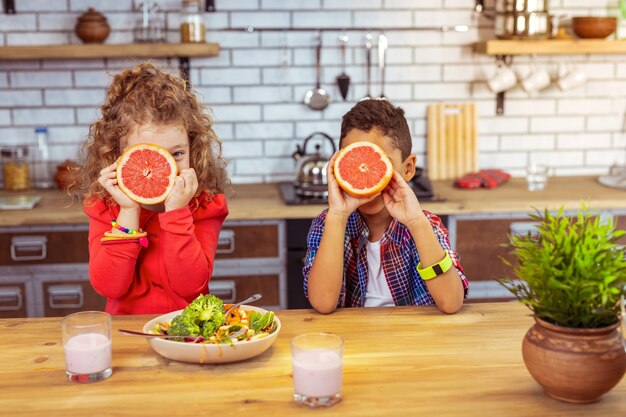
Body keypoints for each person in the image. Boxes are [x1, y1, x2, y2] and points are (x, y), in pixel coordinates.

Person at [74, 63, 229, 315]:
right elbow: (109, 286)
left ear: (193, 148)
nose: (165, 167)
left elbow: (190, 286)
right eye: (147, 155)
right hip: (127, 339)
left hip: (184, 336)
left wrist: (177, 213)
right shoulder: (104, 207)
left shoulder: (204, 205)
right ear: (118, 154)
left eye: (177, 153)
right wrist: (128, 211)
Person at [303, 99, 468, 314]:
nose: (368, 181)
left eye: (379, 165)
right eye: (356, 165)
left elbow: (451, 302)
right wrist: (337, 216)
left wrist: (417, 223)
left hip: (411, 339)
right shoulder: (328, 224)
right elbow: (323, 303)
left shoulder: (426, 226)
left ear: (408, 168)